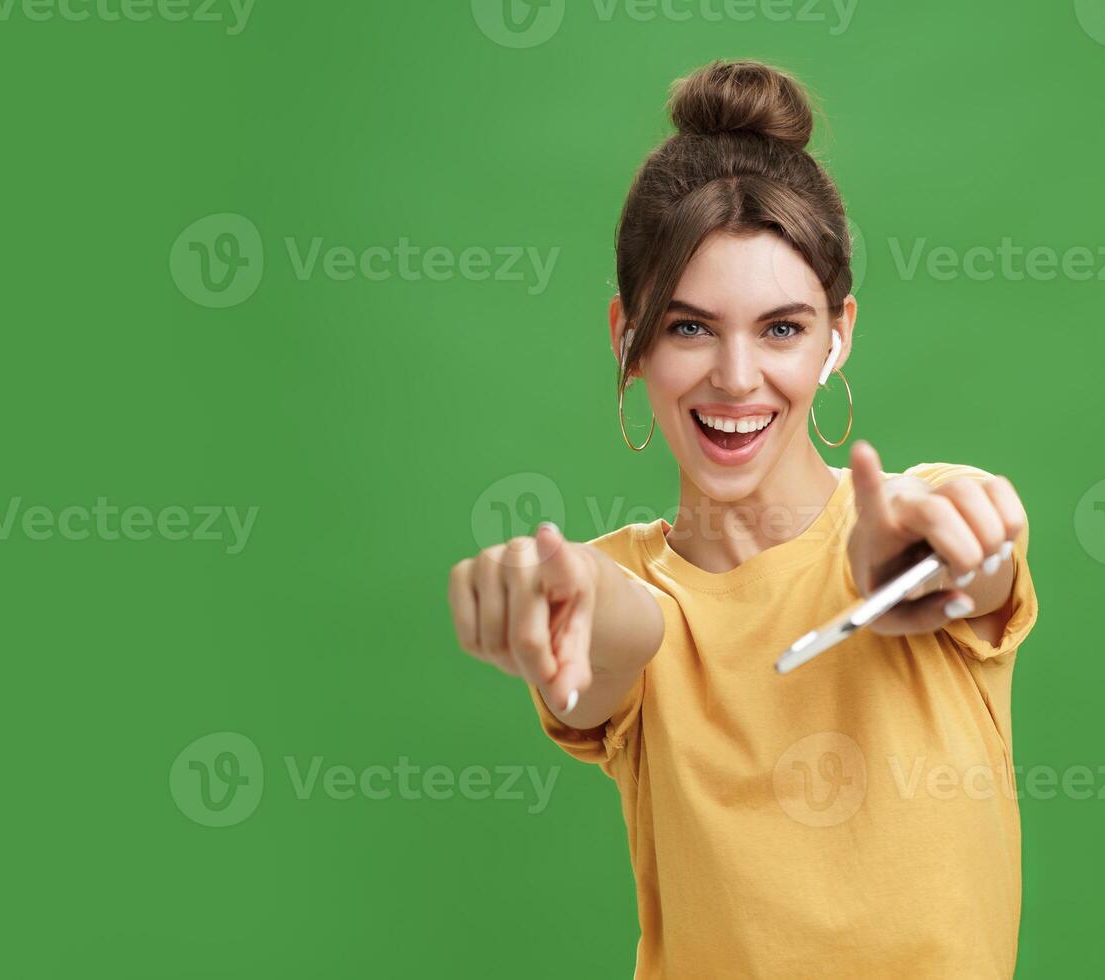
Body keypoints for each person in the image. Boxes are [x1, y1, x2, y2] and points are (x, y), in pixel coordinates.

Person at [444, 59, 1039, 978]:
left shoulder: (921, 518)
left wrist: (931, 558)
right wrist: (558, 590)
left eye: (781, 328)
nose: (734, 376)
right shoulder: (626, 593)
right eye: (688, 328)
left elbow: (978, 566)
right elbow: (621, 623)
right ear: (626, 337)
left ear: (837, 334)